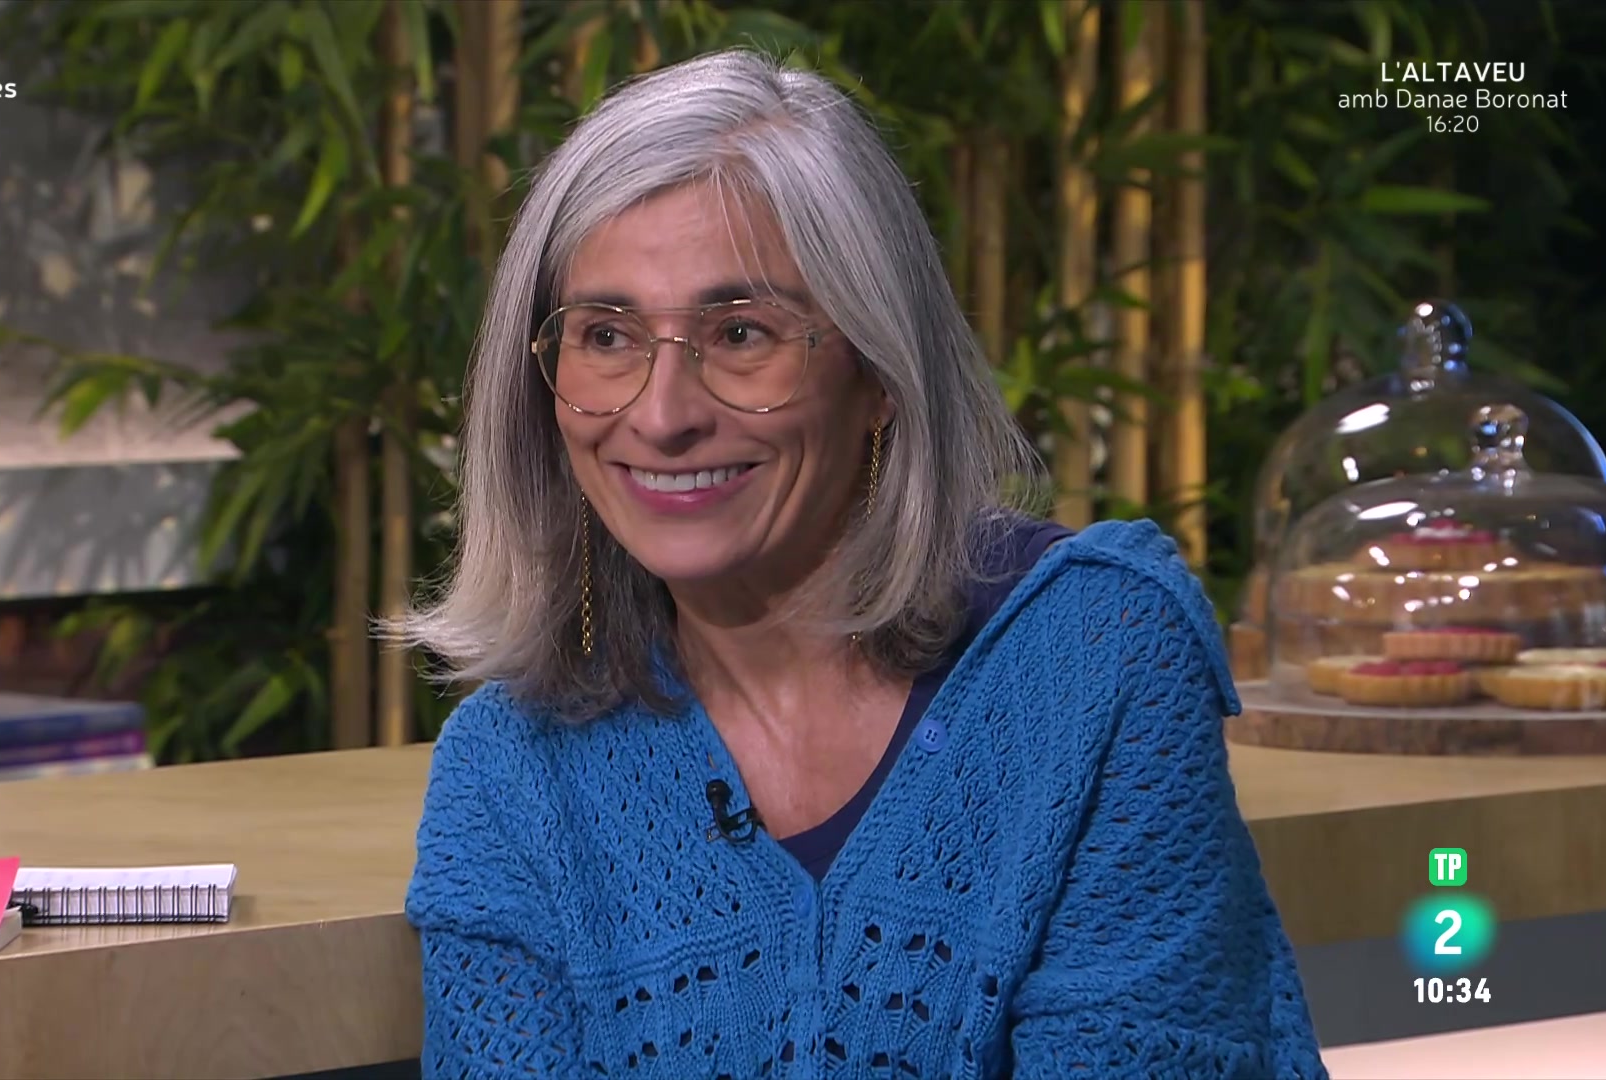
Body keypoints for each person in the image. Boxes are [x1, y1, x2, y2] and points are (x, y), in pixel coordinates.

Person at [396, 48, 1327, 1079]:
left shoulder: (1094, 660)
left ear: (881, 371)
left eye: (740, 332)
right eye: (606, 336)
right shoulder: (512, 771)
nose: (661, 416)